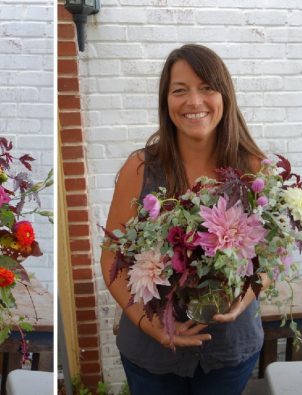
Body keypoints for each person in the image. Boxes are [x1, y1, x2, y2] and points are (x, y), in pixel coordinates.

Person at [100, 44, 272, 395]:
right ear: (166, 101)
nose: (194, 102)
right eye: (180, 90)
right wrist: (151, 326)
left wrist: (250, 293)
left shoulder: (253, 169)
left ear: (224, 94)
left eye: (206, 87)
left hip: (229, 350)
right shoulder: (141, 168)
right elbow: (111, 259)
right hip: (152, 355)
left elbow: (269, 259)